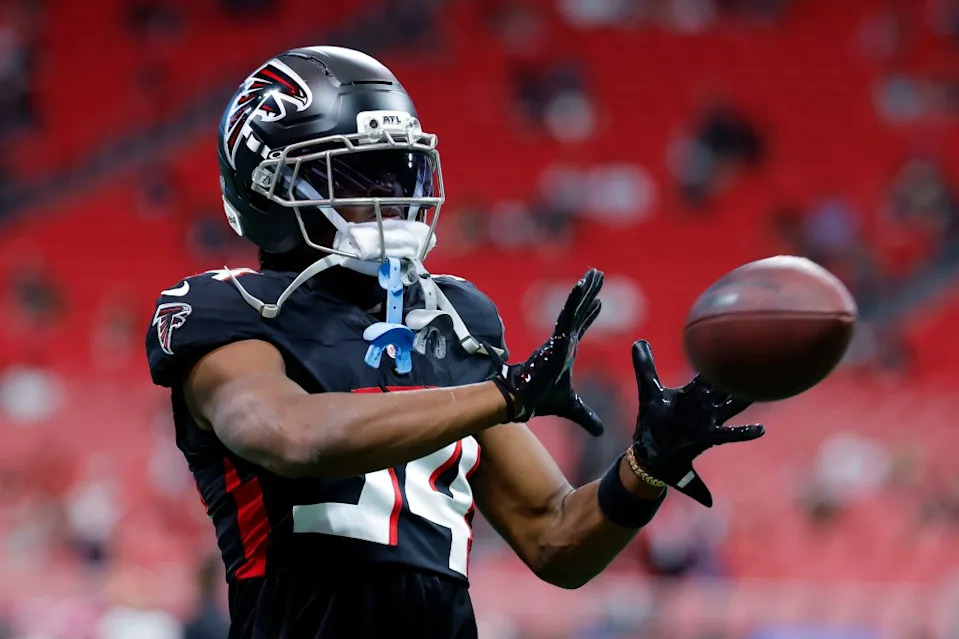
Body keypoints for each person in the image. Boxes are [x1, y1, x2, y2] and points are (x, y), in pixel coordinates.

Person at [145, 46, 764, 639]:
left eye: (400, 170)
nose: (395, 197)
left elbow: (554, 538)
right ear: (269, 186)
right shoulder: (230, 311)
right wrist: (505, 392)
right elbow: (294, 436)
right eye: (361, 174)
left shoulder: (449, 317)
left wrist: (648, 467)